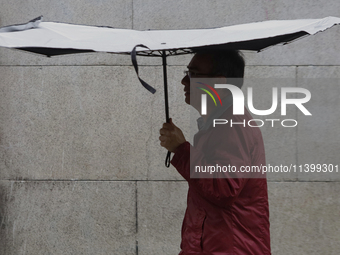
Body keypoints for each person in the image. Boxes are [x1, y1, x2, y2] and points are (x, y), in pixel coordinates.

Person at [159, 49, 271, 255]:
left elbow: (225, 188)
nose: (184, 81)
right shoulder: (219, 124)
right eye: (187, 72)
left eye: (193, 74)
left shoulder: (231, 124)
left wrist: (181, 150)